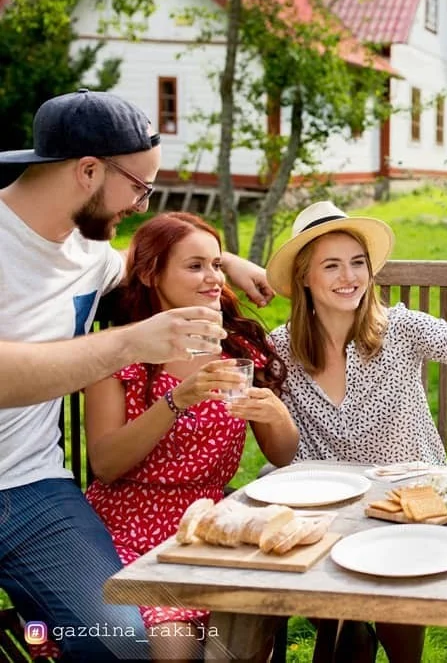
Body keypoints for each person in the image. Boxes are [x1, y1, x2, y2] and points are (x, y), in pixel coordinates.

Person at [0, 90, 270, 660]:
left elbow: (144, 260)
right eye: (140, 187)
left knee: (129, 646)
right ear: (89, 171)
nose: (142, 203)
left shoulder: (88, 255)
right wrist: (126, 343)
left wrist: (225, 264)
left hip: (30, 488)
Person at [264, 201, 447, 662]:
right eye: (331, 266)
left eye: (357, 264)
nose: (348, 276)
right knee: (301, 579)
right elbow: (276, 447)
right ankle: (351, 638)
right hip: (325, 506)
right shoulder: (280, 348)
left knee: (396, 591)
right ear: (304, 279)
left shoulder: (400, 328)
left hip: (410, 497)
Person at [81, 213, 298, 662]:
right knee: (174, 648)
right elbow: (105, 465)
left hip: (210, 521)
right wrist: (176, 400)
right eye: (195, 266)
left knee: (241, 639)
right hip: (128, 522)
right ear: (150, 273)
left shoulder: (238, 349)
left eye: (217, 266)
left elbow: (282, 452)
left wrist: (276, 416)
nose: (213, 278)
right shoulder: (119, 351)